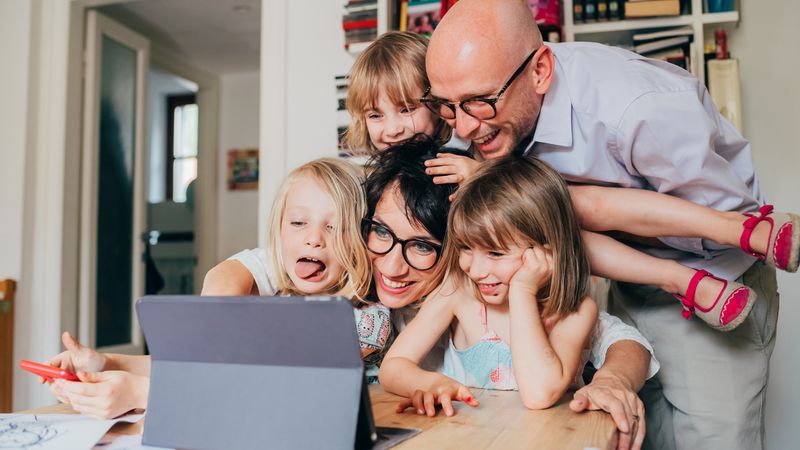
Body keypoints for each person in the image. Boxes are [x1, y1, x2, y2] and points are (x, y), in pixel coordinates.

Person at [422, 0, 798, 448]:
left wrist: (558, 206)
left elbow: (714, 230)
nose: (463, 127)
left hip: (715, 279)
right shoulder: (491, 107)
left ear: (540, 71)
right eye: (446, 107)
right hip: (620, 288)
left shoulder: (639, 108)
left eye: (479, 102)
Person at [213, 140, 659, 450]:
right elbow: (254, 267)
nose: (391, 265)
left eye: (424, 246)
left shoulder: (471, 286)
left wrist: (613, 380)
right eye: (381, 233)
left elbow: (618, 339)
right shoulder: (342, 266)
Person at [46, 158, 389, 417]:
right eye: (298, 223)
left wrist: (144, 394)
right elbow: (203, 364)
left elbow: (271, 391)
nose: (313, 239)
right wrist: (106, 364)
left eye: (334, 227)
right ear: (278, 232)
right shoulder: (277, 301)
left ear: (360, 241)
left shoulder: (366, 319)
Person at [380, 154, 598, 414]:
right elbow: (393, 366)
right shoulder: (459, 292)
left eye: (495, 253)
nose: (476, 270)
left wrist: (523, 292)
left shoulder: (575, 312)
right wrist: (430, 382)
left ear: (547, 251)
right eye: (466, 248)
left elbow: (539, 394)